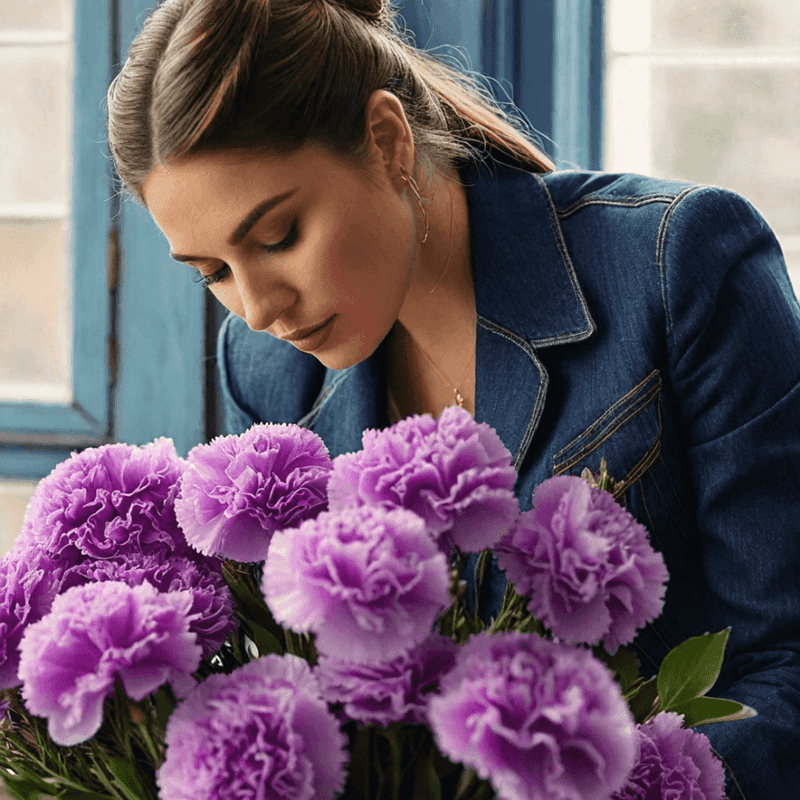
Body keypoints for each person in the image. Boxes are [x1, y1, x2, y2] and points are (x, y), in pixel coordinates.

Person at [106, 0, 800, 796]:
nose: (260, 307)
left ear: (388, 140)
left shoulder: (680, 266)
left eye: (278, 238)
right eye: (214, 273)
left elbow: (786, 660)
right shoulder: (265, 371)